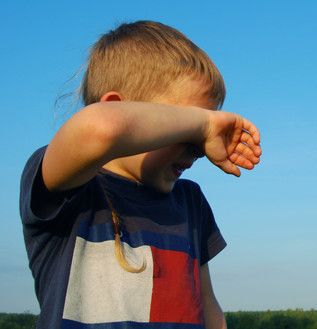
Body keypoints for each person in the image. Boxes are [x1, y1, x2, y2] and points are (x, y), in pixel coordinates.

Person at [19, 21, 262, 329]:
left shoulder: (190, 202)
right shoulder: (72, 187)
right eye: (186, 127)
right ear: (116, 108)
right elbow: (102, 128)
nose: (200, 150)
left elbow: (207, 305)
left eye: (202, 138)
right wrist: (204, 124)